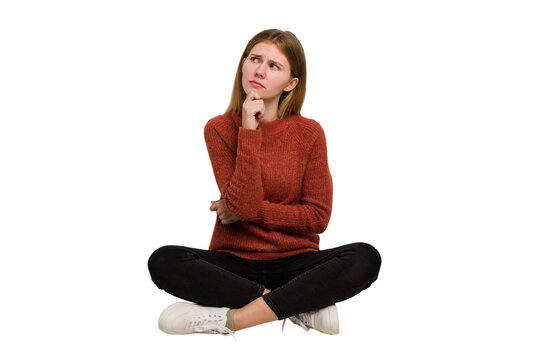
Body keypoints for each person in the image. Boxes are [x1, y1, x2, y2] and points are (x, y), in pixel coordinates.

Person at [147, 29, 382, 337]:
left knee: (365, 257)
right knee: (164, 260)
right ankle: (301, 304)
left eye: (274, 66)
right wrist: (248, 129)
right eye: (255, 59)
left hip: (297, 262)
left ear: (291, 83)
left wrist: (248, 212)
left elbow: (317, 217)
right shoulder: (218, 129)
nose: (259, 70)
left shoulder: (309, 133)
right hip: (233, 264)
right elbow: (242, 204)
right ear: (243, 64)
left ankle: (233, 320)